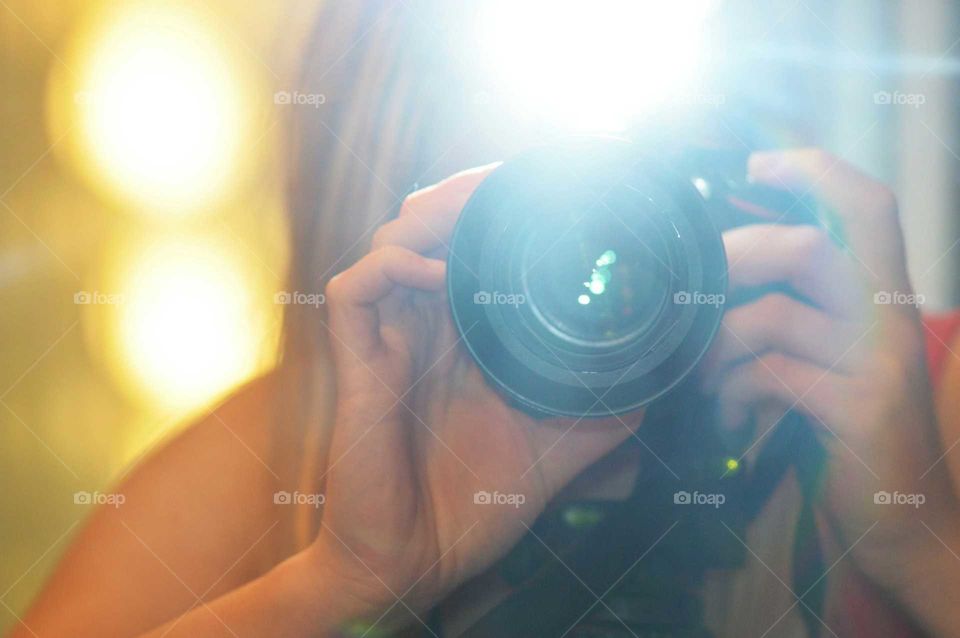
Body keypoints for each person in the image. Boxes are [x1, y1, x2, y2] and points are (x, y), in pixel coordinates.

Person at [10, 3, 960, 637]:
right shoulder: (290, 451)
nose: (589, 230)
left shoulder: (904, 403)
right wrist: (338, 584)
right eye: (533, 178)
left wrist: (923, 543)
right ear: (398, 172)